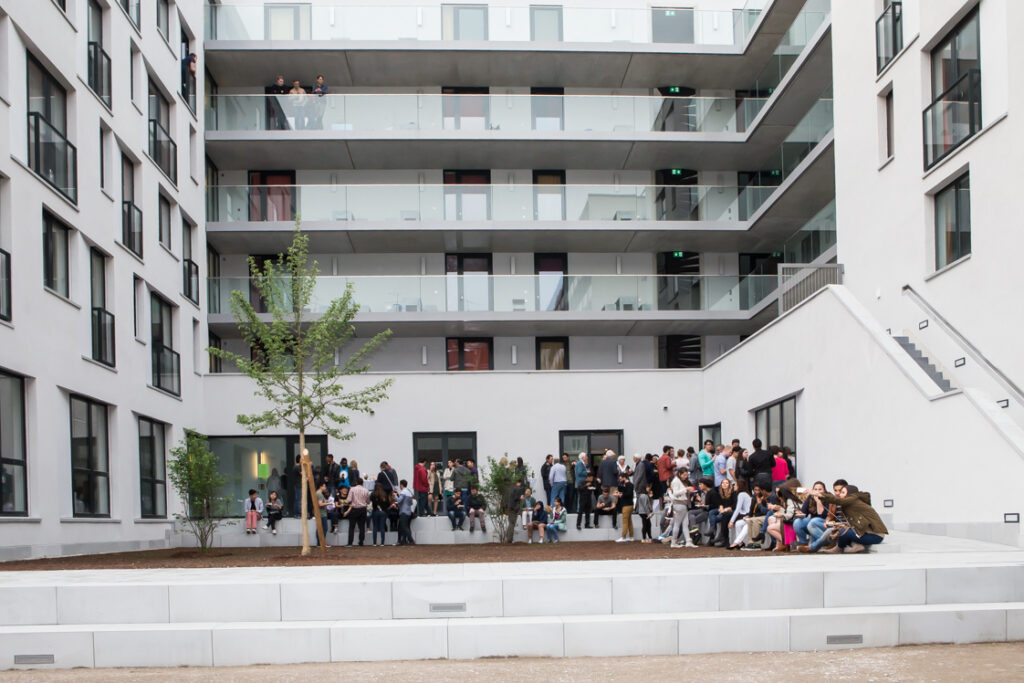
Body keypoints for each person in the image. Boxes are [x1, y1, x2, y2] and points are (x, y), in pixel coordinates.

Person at [813, 484, 888, 553]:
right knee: (842, 530)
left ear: (849, 494)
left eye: (842, 492)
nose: (840, 494)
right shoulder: (852, 504)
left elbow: (838, 501)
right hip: (867, 533)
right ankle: (854, 546)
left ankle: (838, 548)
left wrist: (818, 494)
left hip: (875, 536)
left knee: (843, 532)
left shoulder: (854, 502)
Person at [795, 481, 828, 552]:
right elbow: (804, 512)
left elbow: (822, 515)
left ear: (824, 490)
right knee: (797, 522)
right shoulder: (810, 498)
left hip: (823, 522)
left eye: (820, 489)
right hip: (812, 523)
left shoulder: (827, 498)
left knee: (813, 521)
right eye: (815, 489)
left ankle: (826, 543)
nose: (817, 491)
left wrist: (818, 501)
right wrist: (800, 513)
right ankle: (803, 543)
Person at [766, 484, 800, 552]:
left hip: (791, 522)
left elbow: (789, 514)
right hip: (791, 520)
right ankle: (781, 544)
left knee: (770, 528)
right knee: (771, 519)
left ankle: (785, 543)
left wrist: (781, 514)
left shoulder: (789, 501)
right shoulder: (790, 500)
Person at [668, 469, 696, 548]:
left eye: (686, 475)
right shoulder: (676, 481)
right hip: (679, 504)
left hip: (682, 504)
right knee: (678, 524)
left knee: (685, 524)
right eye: (684, 475)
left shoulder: (678, 481)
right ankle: (674, 542)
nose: (685, 477)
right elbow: (675, 493)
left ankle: (688, 541)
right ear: (680, 474)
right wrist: (686, 489)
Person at [705, 479, 737, 547]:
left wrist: (725, 509)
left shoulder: (733, 493)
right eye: (723, 483)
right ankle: (712, 528)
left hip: (729, 510)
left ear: (729, 485)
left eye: (726, 483)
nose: (724, 484)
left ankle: (719, 535)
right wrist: (721, 507)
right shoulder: (720, 493)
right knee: (711, 512)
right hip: (722, 509)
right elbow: (719, 503)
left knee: (717, 518)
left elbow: (734, 506)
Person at [346, 477, 369, 546]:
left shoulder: (352, 489)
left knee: (352, 527)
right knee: (362, 526)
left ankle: (350, 543)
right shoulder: (366, 490)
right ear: (362, 483)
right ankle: (361, 542)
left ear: (356, 483)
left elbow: (349, 500)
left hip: (354, 509)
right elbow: (368, 501)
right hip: (363, 509)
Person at [614, 472, 635, 542]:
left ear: (624, 478)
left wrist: (619, 495)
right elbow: (627, 493)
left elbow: (628, 494)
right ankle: (631, 537)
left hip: (627, 506)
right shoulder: (629, 484)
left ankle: (623, 537)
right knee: (629, 521)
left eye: (621, 479)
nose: (620, 480)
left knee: (625, 522)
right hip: (630, 505)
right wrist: (620, 494)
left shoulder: (628, 485)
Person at [395, 479, 415, 545]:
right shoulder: (409, 492)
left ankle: (411, 540)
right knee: (406, 526)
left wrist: (395, 496)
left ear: (401, 485)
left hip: (403, 511)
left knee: (404, 527)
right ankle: (404, 540)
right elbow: (411, 503)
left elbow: (399, 500)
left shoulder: (403, 492)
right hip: (408, 511)